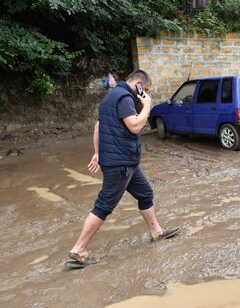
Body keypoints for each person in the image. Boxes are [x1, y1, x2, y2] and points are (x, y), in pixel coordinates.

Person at [67, 70, 179, 268]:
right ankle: (79, 249)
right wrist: (147, 106)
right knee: (104, 205)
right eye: (144, 90)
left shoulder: (110, 97)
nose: (143, 93)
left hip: (126, 161)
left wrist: (97, 152)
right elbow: (135, 126)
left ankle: (156, 232)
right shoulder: (125, 97)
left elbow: (98, 128)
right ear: (137, 83)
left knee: (145, 193)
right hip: (120, 163)